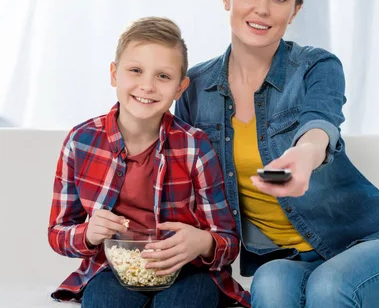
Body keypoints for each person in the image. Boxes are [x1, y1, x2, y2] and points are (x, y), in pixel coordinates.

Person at [175, 0, 379, 308]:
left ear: (295, 11)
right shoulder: (194, 88)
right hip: (290, 260)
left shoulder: (316, 67)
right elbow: (182, 179)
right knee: (270, 284)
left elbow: (321, 123)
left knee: (328, 288)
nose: (262, 9)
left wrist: (306, 154)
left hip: (375, 247)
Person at [47, 17, 250, 307]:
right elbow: (58, 232)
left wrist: (202, 243)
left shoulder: (195, 146)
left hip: (189, 271)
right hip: (112, 270)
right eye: (136, 71)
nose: (147, 86)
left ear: (180, 88)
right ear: (114, 74)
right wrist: (88, 234)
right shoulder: (80, 142)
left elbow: (227, 239)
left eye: (163, 76)